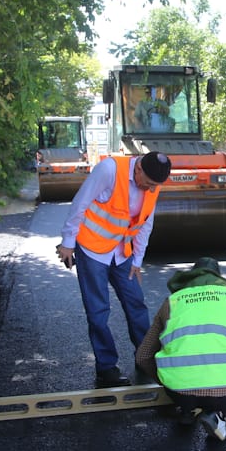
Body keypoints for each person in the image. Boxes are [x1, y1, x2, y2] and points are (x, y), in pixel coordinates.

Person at [57, 151, 172, 388]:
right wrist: (68, 242)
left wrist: (137, 260)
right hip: (92, 249)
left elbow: (146, 223)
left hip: (122, 253)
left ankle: (145, 358)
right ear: (138, 169)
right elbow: (80, 202)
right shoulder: (109, 169)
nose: (151, 189)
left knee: (136, 303)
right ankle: (106, 368)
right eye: (149, 183)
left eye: (155, 185)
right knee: (98, 310)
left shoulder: (153, 184)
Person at [135, 257, 226, 442]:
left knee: (180, 376)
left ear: (189, 277)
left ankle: (187, 410)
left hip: (178, 393)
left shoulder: (171, 301)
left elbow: (143, 357)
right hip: (223, 394)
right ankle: (219, 415)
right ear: (219, 278)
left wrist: (167, 379)